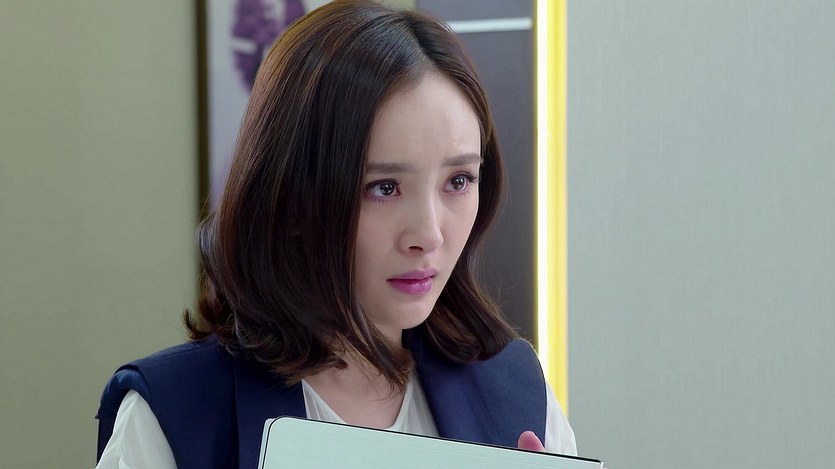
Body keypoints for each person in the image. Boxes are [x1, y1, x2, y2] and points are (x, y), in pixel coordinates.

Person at [95, 1, 576, 467]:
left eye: (459, 181)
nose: (429, 234)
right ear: (292, 199)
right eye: (384, 187)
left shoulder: (519, 396)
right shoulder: (174, 418)